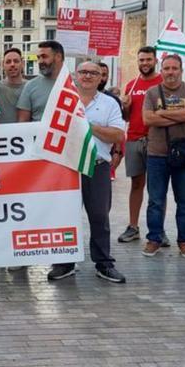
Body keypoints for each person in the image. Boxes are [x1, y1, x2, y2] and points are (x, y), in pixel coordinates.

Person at [48, 62, 127, 283]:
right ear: (75, 75)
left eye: (94, 73)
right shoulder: (62, 100)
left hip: (97, 166)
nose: (88, 76)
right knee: (65, 215)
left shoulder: (110, 103)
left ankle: (103, 263)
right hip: (67, 166)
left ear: (101, 77)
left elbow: (117, 135)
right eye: (83, 72)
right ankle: (64, 262)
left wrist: (87, 126)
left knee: (100, 216)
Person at [141, 54, 185, 258]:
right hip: (157, 154)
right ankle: (154, 239)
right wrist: (179, 115)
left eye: (175, 68)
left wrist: (162, 114)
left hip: (183, 154)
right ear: (162, 70)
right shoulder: (152, 92)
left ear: (181, 70)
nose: (171, 72)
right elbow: (147, 119)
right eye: (167, 68)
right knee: (155, 200)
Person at [118, 47, 164, 244]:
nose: (144, 63)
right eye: (141, 60)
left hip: (157, 141)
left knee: (157, 188)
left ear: (155, 61)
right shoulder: (131, 85)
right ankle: (133, 226)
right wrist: (125, 106)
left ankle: (158, 230)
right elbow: (126, 118)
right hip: (134, 140)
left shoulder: (163, 83)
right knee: (136, 184)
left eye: (148, 60)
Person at [16, 41, 64, 123]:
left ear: (58, 57)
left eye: (44, 57)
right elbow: (22, 122)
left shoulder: (73, 85)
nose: (40, 61)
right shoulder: (30, 86)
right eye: (38, 57)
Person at [0, 48, 27, 124]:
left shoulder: (31, 87)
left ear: (23, 64)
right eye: (8, 62)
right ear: (2, 65)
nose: (12, 64)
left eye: (16, 61)